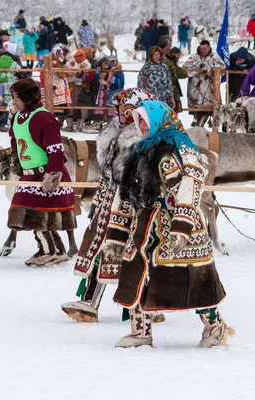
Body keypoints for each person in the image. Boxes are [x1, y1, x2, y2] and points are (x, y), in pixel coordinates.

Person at [102, 99, 230, 348]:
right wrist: (117, 233)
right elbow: (125, 192)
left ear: (159, 119)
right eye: (138, 120)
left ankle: (215, 325)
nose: (141, 125)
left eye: (145, 120)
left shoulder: (181, 148)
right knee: (136, 274)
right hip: (143, 226)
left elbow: (191, 185)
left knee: (193, 279)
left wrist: (182, 226)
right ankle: (140, 331)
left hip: (177, 224)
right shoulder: (138, 151)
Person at [61, 88, 156, 323]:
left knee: (134, 252)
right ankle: (89, 300)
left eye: (130, 110)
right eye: (122, 109)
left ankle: (148, 304)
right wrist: (98, 202)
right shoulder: (113, 133)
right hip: (107, 201)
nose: (124, 114)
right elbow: (107, 174)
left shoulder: (145, 137)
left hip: (132, 203)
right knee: (99, 247)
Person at [7, 78, 77, 266]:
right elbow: (15, 141)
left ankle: (50, 250)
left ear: (27, 97)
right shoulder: (19, 117)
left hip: (45, 174)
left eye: (16, 96)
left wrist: (53, 173)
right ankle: (54, 249)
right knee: (28, 212)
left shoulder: (42, 117)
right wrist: (16, 160)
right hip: (29, 173)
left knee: (38, 214)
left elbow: (55, 147)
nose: (13, 100)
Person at [183, 40, 226, 126]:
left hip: (210, 91)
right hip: (196, 90)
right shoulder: (194, 57)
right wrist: (197, 69)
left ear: (209, 47)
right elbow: (185, 68)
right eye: (201, 48)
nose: (203, 50)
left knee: (209, 111)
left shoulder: (214, 56)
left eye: (205, 49)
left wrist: (209, 68)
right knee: (198, 111)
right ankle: (197, 125)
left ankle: (206, 128)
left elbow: (222, 67)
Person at [164, 47, 188, 113]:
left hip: (171, 91)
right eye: (178, 55)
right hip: (170, 91)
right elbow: (177, 73)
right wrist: (187, 72)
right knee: (172, 112)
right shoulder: (169, 62)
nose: (179, 57)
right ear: (172, 54)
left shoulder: (170, 61)